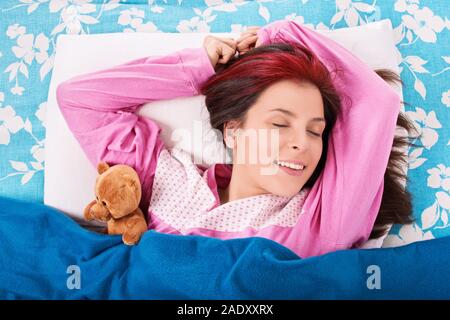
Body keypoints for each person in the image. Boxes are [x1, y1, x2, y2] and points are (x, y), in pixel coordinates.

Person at [56, 20, 417, 258]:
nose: (302, 144)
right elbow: (79, 98)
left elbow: (376, 102)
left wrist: (285, 33)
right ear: (233, 130)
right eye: (280, 124)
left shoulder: (323, 219)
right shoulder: (166, 179)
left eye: (314, 130)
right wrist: (201, 68)